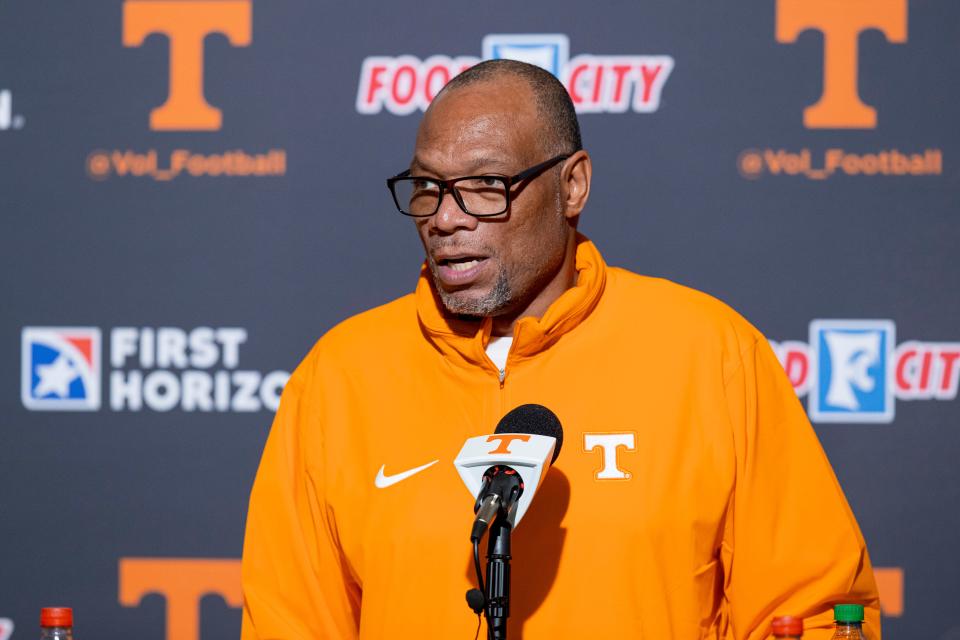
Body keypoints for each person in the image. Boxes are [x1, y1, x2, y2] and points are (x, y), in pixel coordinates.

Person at [241, 59, 881, 639]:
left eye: (487, 184)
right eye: (428, 186)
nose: (444, 217)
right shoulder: (338, 378)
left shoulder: (712, 355)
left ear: (573, 186)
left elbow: (820, 612)